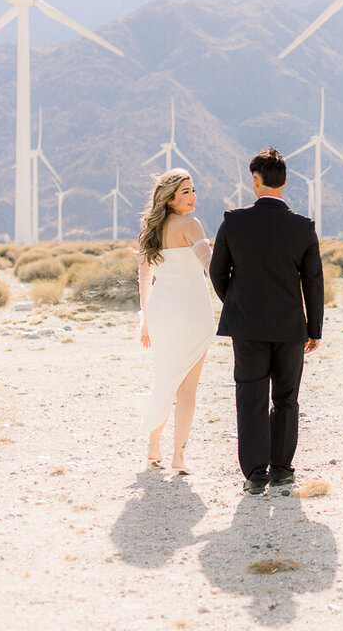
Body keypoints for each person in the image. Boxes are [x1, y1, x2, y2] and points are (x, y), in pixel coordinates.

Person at [209, 147, 324, 495]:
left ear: (255, 183)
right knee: (287, 397)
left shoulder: (234, 221)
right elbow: (313, 281)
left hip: (247, 327)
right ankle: (283, 470)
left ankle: (255, 475)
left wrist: (237, 303)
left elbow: (217, 272)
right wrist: (314, 328)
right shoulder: (303, 228)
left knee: (251, 397)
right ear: (286, 181)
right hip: (290, 328)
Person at [136, 168, 214, 474]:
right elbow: (210, 265)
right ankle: (178, 456)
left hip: (161, 310)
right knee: (187, 388)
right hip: (192, 309)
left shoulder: (149, 231)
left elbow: (144, 278)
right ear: (169, 198)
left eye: (193, 190)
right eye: (185, 192)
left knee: (164, 377)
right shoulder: (190, 224)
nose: (193, 197)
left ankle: (153, 446)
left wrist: (145, 320)